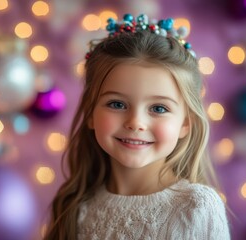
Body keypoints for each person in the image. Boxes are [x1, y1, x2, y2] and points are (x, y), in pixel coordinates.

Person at [44, 13, 230, 240]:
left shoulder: (196, 209)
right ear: (91, 112)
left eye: (159, 108)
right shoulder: (75, 207)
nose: (135, 122)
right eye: (117, 104)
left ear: (185, 123)